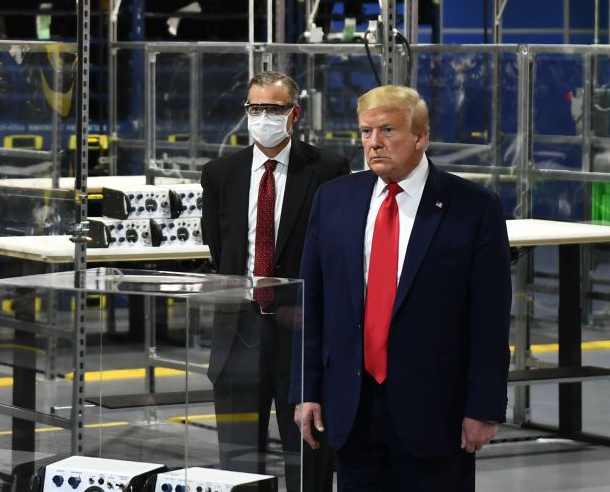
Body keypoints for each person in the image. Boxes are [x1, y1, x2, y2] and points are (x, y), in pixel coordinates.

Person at [292, 85, 512, 491]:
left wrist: (484, 407)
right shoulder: (334, 199)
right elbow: (313, 304)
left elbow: (490, 318)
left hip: (436, 412)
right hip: (352, 407)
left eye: (388, 131)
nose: (374, 143)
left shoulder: (473, 206)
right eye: (365, 132)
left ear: (421, 137)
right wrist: (306, 390)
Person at [201, 70, 349, 490]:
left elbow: (335, 251)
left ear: (294, 114)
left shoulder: (327, 169)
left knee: (309, 455)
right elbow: (220, 248)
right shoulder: (219, 174)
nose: (262, 116)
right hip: (238, 330)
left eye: (273, 108)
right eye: (255, 108)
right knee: (238, 460)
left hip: (300, 332)